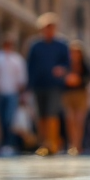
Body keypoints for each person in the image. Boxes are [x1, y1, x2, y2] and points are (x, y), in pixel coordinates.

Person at [26, 13, 69, 156]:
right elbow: (30, 66)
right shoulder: (35, 45)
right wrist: (28, 86)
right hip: (38, 85)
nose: (49, 30)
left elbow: (67, 64)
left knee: (52, 114)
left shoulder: (61, 45)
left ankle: (52, 143)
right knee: (41, 115)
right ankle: (43, 144)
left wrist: (62, 69)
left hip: (54, 85)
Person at [0, 37, 27, 154]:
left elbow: (22, 78)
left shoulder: (17, 59)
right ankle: (2, 143)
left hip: (12, 93)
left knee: (9, 119)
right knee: (1, 119)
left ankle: (10, 144)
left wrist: (21, 94)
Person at [63, 40, 90, 154]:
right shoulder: (66, 64)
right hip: (68, 94)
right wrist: (67, 79)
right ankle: (72, 143)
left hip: (81, 94)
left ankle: (78, 144)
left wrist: (79, 80)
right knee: (70, 120)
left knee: (79, 120)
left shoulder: (85, 65)